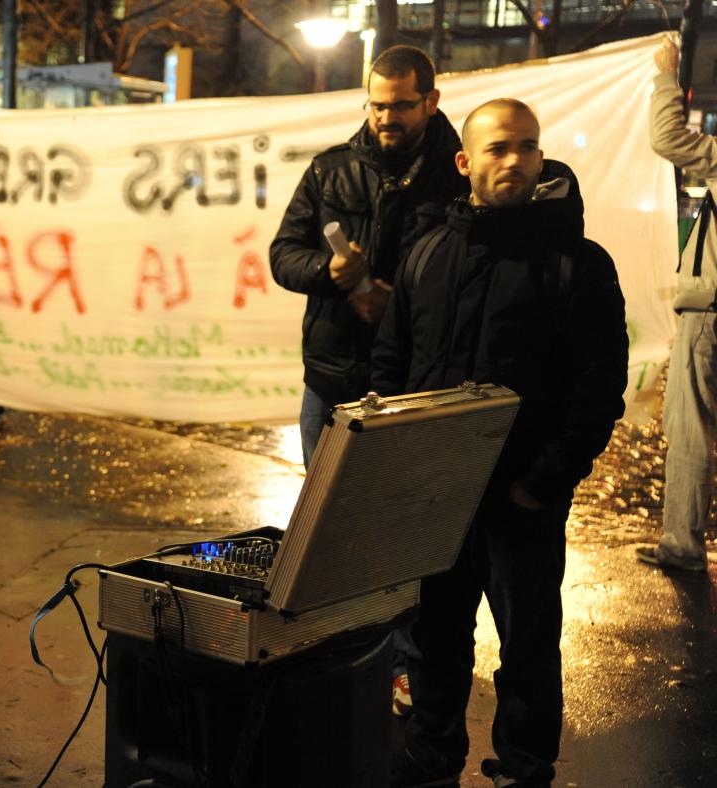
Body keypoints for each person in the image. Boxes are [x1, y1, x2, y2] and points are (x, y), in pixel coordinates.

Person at [375, 99, 628, 787]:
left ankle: (523, 769)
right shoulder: (427, 253)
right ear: (465, 162)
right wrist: (398, 474)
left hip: (522, 504)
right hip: (436, 500)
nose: (515, 160)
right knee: (433, 644)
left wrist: (540, 483)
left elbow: (599, 390)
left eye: (527, 147)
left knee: (529, 651)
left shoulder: (578, 264)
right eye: (497, 149)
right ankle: (431, 760)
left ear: (541, 155)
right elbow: (390, 369)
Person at [268, 44, 468, 717]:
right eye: (377, 105)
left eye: (401, 106)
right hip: (329, 382)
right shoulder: (333, 168)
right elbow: (283, 253)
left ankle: (405, 668)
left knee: (405, 536)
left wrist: (397, 301)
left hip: (412, 388)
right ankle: (343, 657)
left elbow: (467, 273)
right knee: (329, 533)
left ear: (431, 101)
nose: (387, 118)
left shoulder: (456, 174)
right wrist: (330, 276)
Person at [636, 35, 715, 575]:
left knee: (691, 425)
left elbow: (668, 138)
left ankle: (683, 546)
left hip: (710, 310)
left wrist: (667, 77)